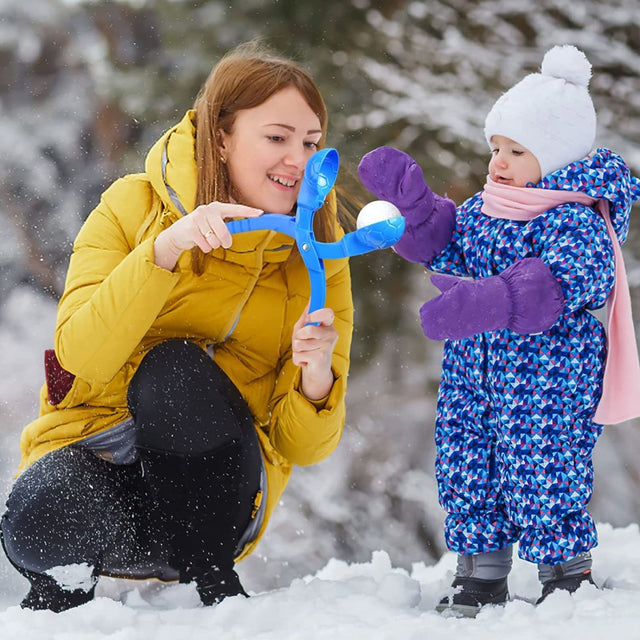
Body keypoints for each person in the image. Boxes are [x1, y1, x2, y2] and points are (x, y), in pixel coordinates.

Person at [0, 41, 354, 612]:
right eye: (277, 137)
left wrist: (316, 378)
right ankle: (64, 609)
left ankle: (213, 587)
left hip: (216, 497)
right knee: (38, 522)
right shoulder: (129, 209)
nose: (298, 159)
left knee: (175, 372)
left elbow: (303, 448)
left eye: (310, 143)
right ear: (221, 137)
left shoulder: (317, 255)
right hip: (106, 457)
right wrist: (164, 251)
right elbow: (82, 356)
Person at [358, 44, 640, 616]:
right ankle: (481, 570)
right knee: (466, 461)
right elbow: (447, 241)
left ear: (556, 156)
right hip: (473, 376)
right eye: (495, 148)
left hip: (548, 383)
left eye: (516, 150)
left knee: (543, 466)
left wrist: (490, 302)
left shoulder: (575, 218)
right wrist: (415, 207)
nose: (499, 162)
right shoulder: (489, 208)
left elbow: (565, 280)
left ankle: (565, 571)